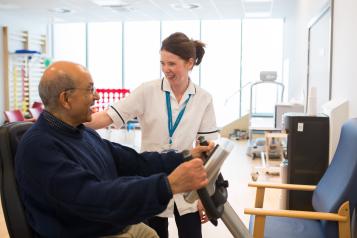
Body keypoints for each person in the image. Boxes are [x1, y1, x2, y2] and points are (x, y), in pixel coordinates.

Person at [15, 61, 214, 238]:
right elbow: (93, 197)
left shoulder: (83, 133)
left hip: (109, 227)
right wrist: (168, 185)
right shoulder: (40, 148)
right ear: (66, 99)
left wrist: (184, 157)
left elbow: (134, 162)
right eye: (90, 89)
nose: (96, 96)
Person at [86, 32, 219, 238]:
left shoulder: (203, 98)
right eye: (163, 63)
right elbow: (107, 117)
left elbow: (208, 149)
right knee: (154, 234)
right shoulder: (147, 91)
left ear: (190, 63)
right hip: (152, 177)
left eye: (172, 64)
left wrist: (205, 194)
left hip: (187, 179)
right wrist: (67, 120)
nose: (166, 69)